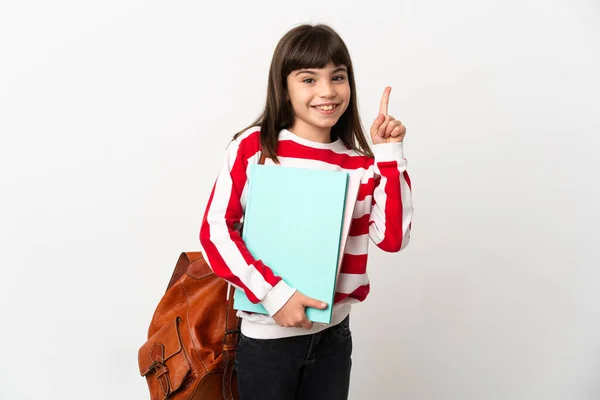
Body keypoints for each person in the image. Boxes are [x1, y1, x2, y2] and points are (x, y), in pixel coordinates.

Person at [199, 23, 413, 400]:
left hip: (334, 338)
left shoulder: (361, 164)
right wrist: (275, 295)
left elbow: (393, 240)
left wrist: (389, 156)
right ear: (284, 87)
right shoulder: (256, 147)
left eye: (338, 77)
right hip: (268, 342)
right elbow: (216, 232)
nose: (327, 91)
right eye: (309, 79)